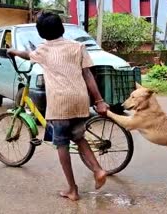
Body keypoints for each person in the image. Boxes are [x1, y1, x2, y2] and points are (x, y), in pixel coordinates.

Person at [7, 12, 108, 201]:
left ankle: (72, 189)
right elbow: (88, 76)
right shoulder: (78, 47)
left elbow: (27, 55)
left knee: (61, 144)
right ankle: (98, 170)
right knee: (78, 137)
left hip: (60, 104)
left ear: (41, 33)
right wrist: (99, 100)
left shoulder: (43, 50)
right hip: (80, 100)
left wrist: (12, 51)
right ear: (61, 27)